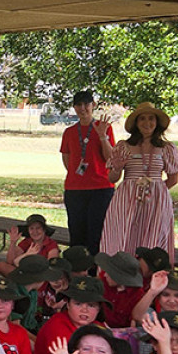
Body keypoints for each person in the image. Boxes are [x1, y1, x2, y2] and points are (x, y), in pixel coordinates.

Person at [99, 102, 178, 257]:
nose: (147, 123)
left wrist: (155, 191)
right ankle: (119, 275)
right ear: (136, 123)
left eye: (151, 118)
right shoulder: (123, 146)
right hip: (126, 199)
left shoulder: (167, 147)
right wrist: (117, 168)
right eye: (142, 119)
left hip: (156, 201)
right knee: (123, 236)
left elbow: (173, 179)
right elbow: (112, 178)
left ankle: (150, 277)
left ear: (157, 123)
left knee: (153, 239)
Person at [59, 90, 115, 254]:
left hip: (101, 188)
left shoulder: (105, 128)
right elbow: (67, 159)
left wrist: (103, 137)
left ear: (93, 105)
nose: (82, 108)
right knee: (76, 233)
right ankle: (77, 271)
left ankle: (95, 272)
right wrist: (78, 175)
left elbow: (110, 159)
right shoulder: (69, 132)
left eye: (86, 104)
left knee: (96, 233)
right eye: (78, 105)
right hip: (75, 189)